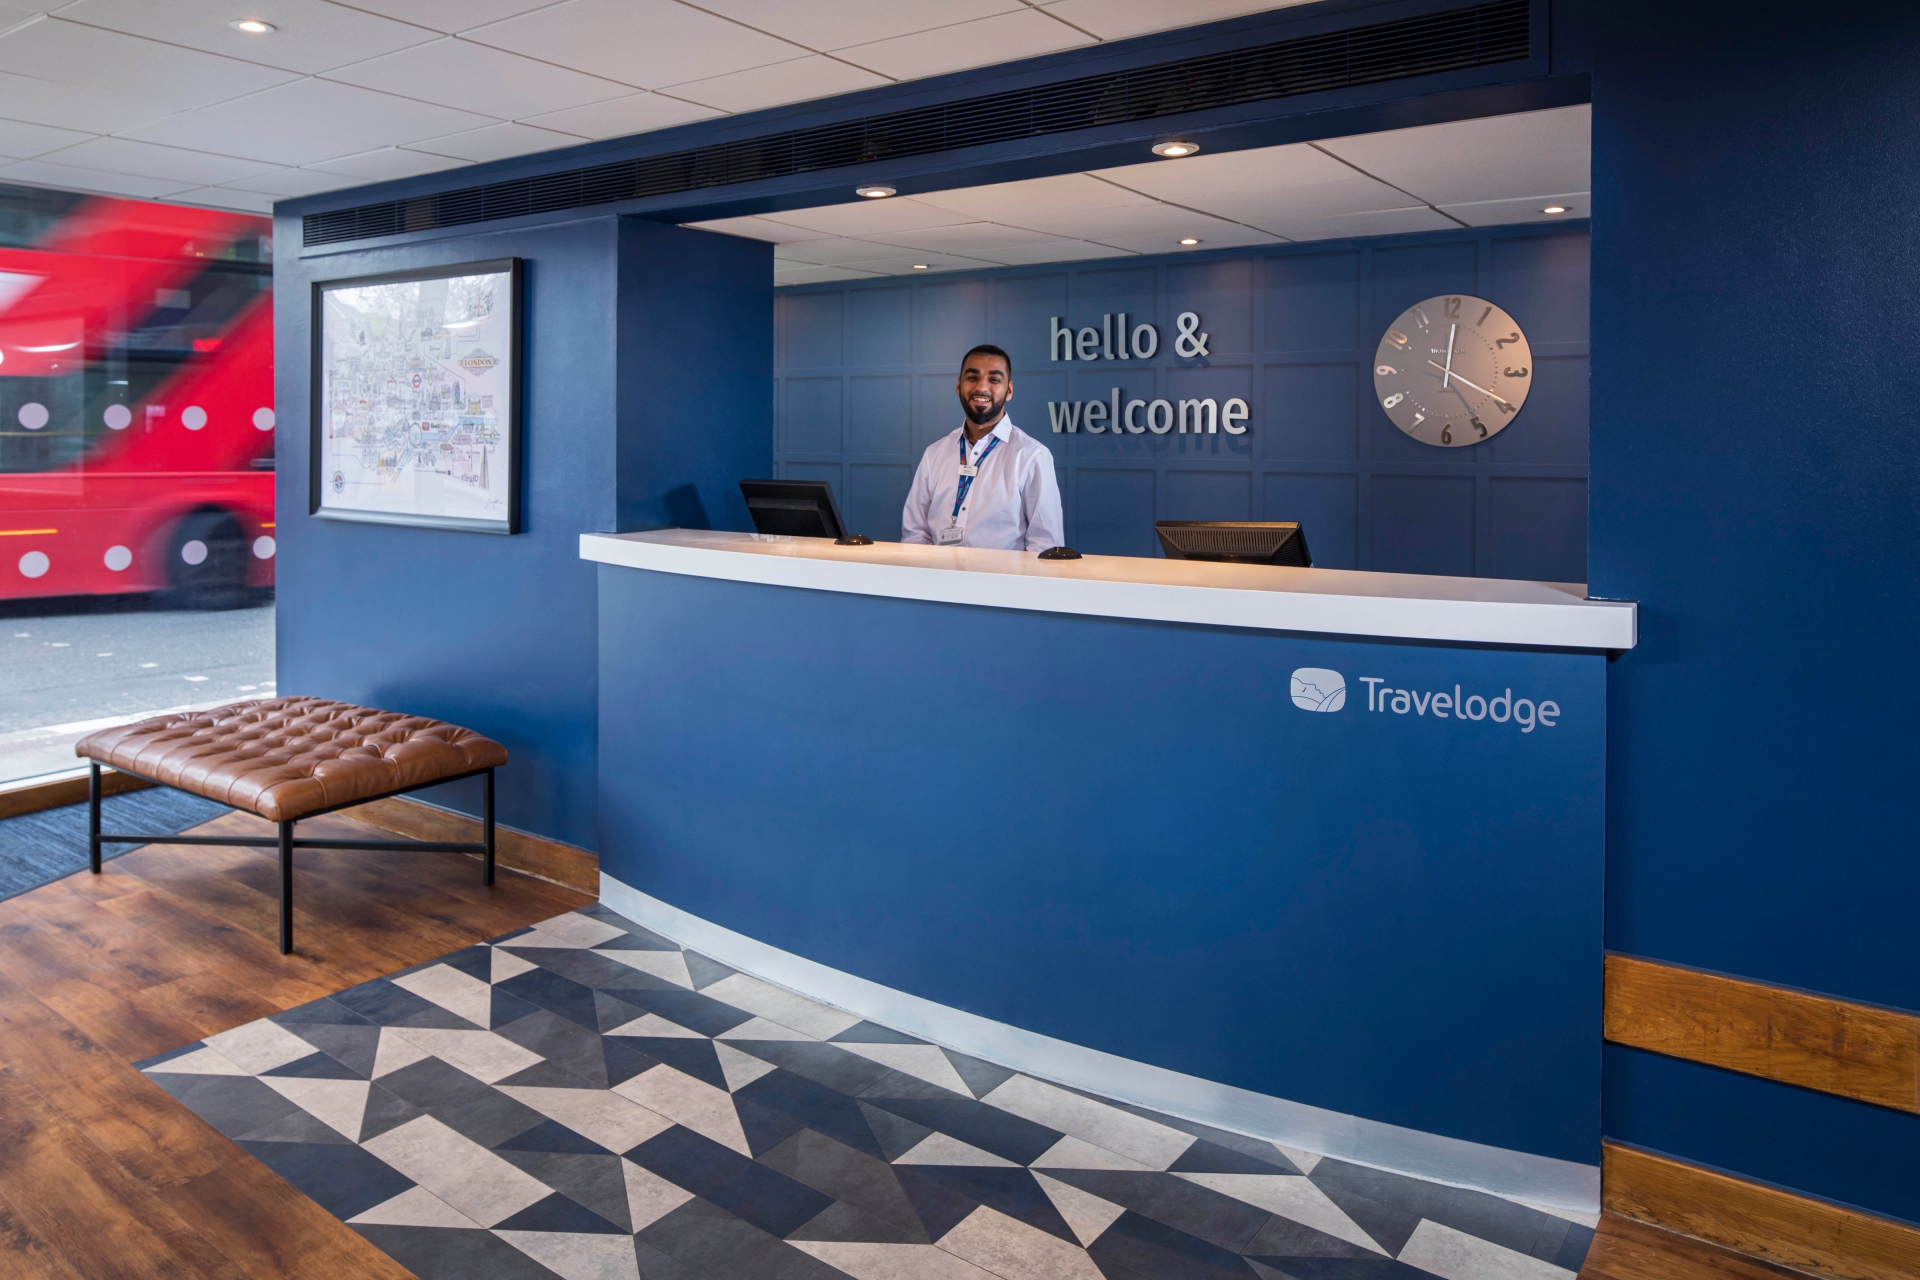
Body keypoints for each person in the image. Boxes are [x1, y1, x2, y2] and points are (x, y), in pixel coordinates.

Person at [901, 344, 1064, 551]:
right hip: (937, 571)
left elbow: (1045, 545)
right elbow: (915, 533)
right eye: (972, 377)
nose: (981, 388)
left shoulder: (1031, 456)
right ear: (959, 385)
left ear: (1009, 390)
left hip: (1003, 573)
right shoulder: (934, 454)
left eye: (994, 380)